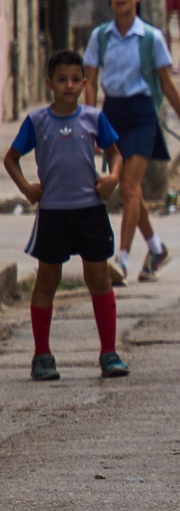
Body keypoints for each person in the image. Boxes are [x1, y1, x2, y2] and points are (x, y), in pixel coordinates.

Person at [5, 50, 126, 381]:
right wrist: (28, 188)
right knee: (47, 280)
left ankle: (108, 352)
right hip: (53, 212)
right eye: (62, 80)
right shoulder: (37, 122)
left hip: (90, 210)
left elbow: (116, 155)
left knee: (98, 279)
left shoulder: (93, 118)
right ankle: (42, 355)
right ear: (49, 83)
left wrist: (113, 178)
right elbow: (11, 158)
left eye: (75, 80)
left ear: (84, 83)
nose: (69, 86)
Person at [84, 0, 180, 286]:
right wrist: (93, 122)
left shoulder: (150, 37)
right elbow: (91, 81)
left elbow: (168, 85)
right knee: (131, 191)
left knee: (130, 186)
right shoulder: (100, 37)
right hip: (112, 114)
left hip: (143, 114)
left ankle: (120, 258)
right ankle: (156, 249)